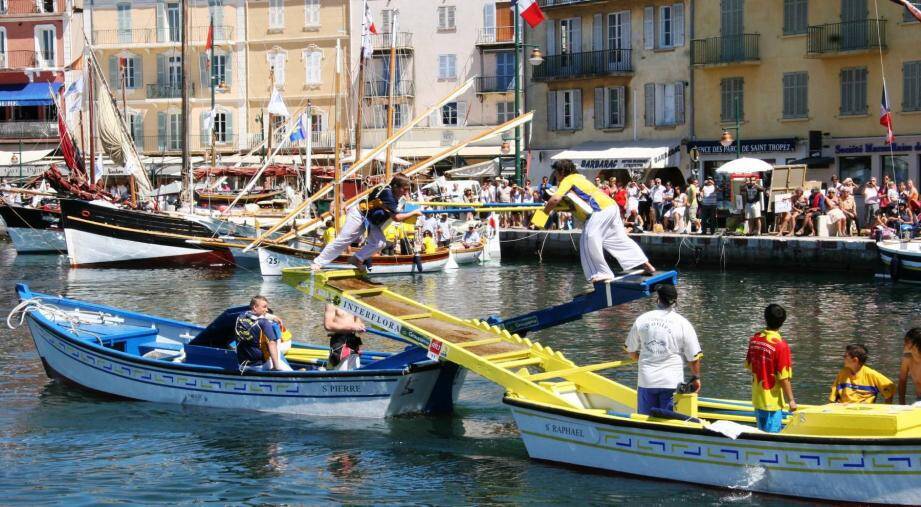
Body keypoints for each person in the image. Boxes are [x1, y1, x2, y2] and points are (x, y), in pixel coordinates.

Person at [542, 160, 655, 283]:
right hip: (612, 207)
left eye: (556, 173)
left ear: (562, 171)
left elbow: (555, 199)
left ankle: (602, 273)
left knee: (588, 239)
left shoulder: (568, 180)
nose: (556, 176)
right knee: (617, 240)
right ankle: (647, 265)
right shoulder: (580, 178)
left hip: (600, 210)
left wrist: (544, 213)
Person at [311, 174, 422, 272]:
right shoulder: (388, 195)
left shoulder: (389, 191)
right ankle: (318, 262)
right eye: (404, 189)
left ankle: (356, 259)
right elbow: (396, 217)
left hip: (371, 220)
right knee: (344, 240)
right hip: (359, 215)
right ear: (396, 186)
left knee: (380, 243)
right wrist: (414, 212)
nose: (406, 192)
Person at [625, 285, 702, 415]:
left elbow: (631, 350)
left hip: (646, 380)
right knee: (669, 423)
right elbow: (693, 357)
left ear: (658, 299)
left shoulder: (642, 319)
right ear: (675, 301)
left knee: (646, 422)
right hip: (671, 382)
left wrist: (642, 358)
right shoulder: (683, 323)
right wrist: (696, 377)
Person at [745, 304, 796, 433]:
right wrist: (791, 400)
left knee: (761, 433)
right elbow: (784, 377)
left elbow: (750, 366)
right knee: (772, 439)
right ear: (782, 322)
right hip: (772, 402)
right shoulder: (781, 346)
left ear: (765, 317)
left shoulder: (755, 339)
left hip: (757, 398)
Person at [235, 296, 292, 371]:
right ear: (255, 307)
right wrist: (276, 367)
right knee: (276, 348)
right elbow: (272, 344)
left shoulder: (240, 317)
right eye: (264, 307)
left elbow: (254, 315)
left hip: (241, 365)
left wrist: (272, 317)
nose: (267, 309)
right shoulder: (264, 323)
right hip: (259, 366)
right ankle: (292, 372)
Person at [829, 344, 895, 404]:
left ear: (855, 360)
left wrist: (886, 408)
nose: (843, 358)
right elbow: (833, 396)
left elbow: (890, 388)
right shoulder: (842, 373)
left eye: (845, 356)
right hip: (843, 409)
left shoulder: (871, 374)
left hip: (863, 410)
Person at [324, 304, 365, 370]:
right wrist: (352, 327)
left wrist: (361, 327)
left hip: (353, 343)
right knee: (340, 375)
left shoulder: (354, 301)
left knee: (354, 374)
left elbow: (358, 322)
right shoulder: (332, 303)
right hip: (340, 344)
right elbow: (328, 325)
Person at [898, 328, 921, 405]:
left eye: (907, 342)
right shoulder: (907, 359)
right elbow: (902, 381)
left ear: (917, 344)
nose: (904, 344)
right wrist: (902, 404)